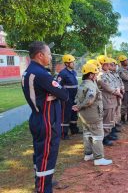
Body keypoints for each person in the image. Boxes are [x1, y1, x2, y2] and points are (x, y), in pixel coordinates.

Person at [22, 41, 69, 193]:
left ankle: (42, 182)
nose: (50, 57)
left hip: (37, 117)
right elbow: (64, 94)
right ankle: (44, 188)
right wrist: (54, 91)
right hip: (47, 120)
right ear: (40, 55)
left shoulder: (30, 71)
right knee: (47, 156)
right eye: (48, 54)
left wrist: (52, 93)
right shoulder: (42, 74)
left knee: (40, 153)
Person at [73, 63, 113, 166]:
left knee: (87, 134)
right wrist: (80, 106)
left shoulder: (82, 84)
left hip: (84, 115)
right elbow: (89, 100)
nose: (96, 76)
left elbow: (78, 99)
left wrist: (78, 106)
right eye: (95, 74)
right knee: (98, 136)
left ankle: (88, 154)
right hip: (93, 115)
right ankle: (99, 158)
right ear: (90, 75)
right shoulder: (91, 85)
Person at [97, 55, 120, 146]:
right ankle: (104, 137)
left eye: (108, 64)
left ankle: (108, 133)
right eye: (106, 64)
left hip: (112, 99)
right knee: (106, 119)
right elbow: (107, 87)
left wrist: (118, 89)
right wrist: (117, 92)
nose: (108, 66)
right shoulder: (101, 76)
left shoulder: (109, 74)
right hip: (106, 99)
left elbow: (115, 84)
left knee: (110, 118)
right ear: (101, 64)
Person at [57, 54, 80, 140]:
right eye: (72, 62)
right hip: (67, 98)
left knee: (74, 113)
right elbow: (58, 86)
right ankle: (64, 133)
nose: (74, 64)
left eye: (74, 62)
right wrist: (63, 96)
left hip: (75, 97)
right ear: (67, 64)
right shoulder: (62, 73)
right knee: (65, 115)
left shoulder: (74, 72)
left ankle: (74, 129)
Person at [109, 58, 124, 135]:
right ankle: (112, 127)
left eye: (115, 65)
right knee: (113, 113)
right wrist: (118, 92)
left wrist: (122, 88)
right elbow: (111, 87)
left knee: (117, 110)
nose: (115, 66)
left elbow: (120, 82)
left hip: (118, 94)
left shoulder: (115, 74)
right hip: (113, 95)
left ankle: (115, 124)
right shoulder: (108, 75)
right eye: (113, 65)